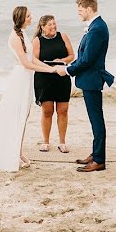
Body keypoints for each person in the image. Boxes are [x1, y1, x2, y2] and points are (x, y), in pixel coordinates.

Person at [0, 6, 57, 172]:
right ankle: (13, 153)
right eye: (28, 16)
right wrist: (50, 70)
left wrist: (52, 68)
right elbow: (26, 63)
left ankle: (18, 151)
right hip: (20, 79)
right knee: (16, 115)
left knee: (24, 116)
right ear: (21, 18)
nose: (31, 18)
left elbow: (33, 59)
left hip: (27, 78)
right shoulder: (14, 37)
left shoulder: (23, 33)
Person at [54, 0, 115, 173]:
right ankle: (96, 154)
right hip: (89, 78)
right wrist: (69, 65)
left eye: (80, 10)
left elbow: (87, 59)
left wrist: (66, 70)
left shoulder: (96, 28)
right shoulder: (95, 26)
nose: (78, 14)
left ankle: (99, 160)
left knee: (97, 120)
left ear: (89, 9)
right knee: (94, 119)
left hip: (92, 79)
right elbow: (85, 57)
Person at [32, 14, 75, 153]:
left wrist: (61, 61)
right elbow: (34, 60)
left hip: (62, 76)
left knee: (63, 110)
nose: (53, 27)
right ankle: (46, 142)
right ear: (43, 27)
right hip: (44, 78)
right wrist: (49, 68)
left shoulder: (63, 36)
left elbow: (72, 56)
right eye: (50, 25)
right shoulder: (37, 41)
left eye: (54, 24)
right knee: (47, 111)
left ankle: (62, 142)